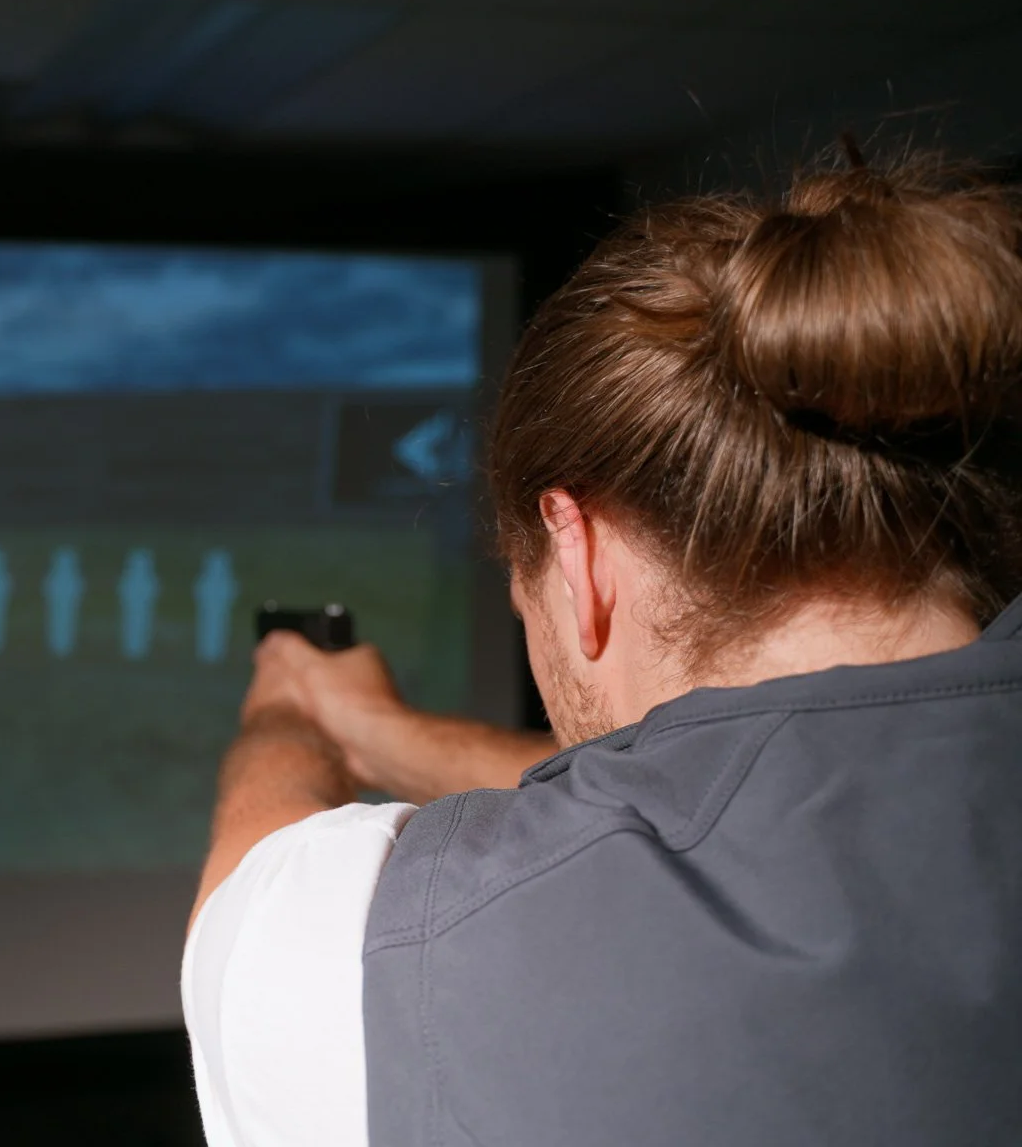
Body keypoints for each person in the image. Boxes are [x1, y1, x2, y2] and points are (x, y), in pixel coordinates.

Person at [183, 144, 1022, 1147]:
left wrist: (287, 715)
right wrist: (379, 730)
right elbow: (749, 797)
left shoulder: (401, 967)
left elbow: (256, 881)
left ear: (578, 556)